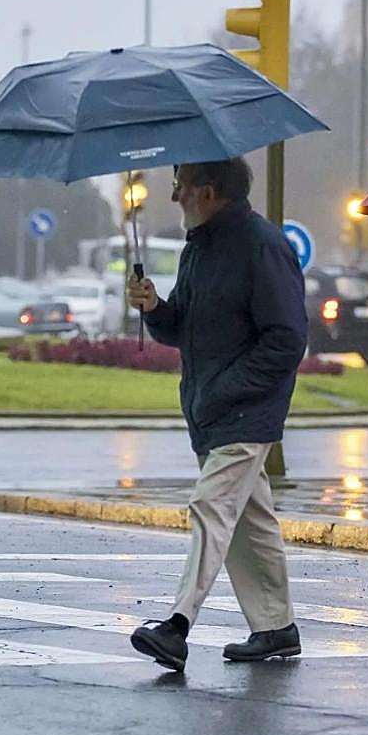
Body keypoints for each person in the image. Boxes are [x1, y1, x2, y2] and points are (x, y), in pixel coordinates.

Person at [125, 157, 308, 671]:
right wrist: (156, 308)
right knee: (251, 523)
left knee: (210, 506)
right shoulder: (199, 249)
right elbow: (184, 325)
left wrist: (228, 390)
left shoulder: (262, 246)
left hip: (246, 413)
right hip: (213, 410)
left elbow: (287, 338)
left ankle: (177, 625)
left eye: (179, 186)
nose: (173, 195)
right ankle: (276, 628)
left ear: (207, 192)